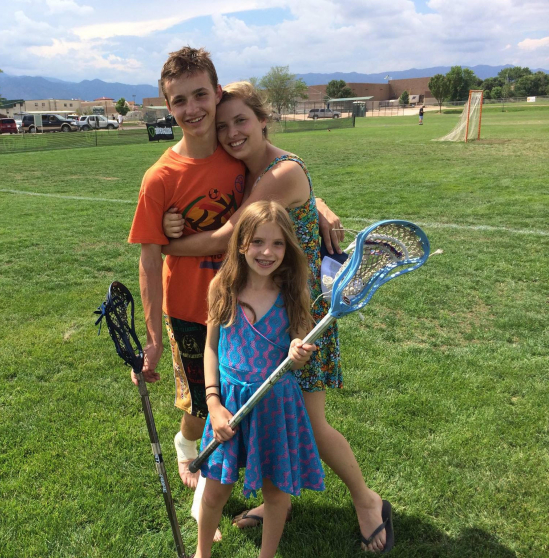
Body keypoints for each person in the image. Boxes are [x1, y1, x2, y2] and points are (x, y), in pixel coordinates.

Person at [162, 81, 394, 553]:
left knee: (309, 423)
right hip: (271, 303)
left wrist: (163, 242)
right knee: (285, 418)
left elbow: (229, 235)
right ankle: (275, 497)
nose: (230, 132)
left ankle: (368, 501)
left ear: (263, 119)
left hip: (297, 311)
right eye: (223, 125)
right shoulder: (256, 168)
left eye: (241, 121)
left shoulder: (276, 171)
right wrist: (323, 207)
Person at [128, 46, 344, 543]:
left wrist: (319, 203)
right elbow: (146, 259)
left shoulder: (233, 153)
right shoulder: (160, 176)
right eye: (179, 100)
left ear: (217, 92)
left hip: (256, 304)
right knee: (205, 405)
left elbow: (278, 182)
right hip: (192, 306)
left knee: (243, 402)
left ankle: (220, 482)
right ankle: (200, 482)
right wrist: (153, 334)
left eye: (201, 94)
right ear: (168, 106)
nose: (193, 109)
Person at [194, 200, 324, 558]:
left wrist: (297, 353)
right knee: (217, 490)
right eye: (257, 242)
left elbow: (297, 356)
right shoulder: (222, 286)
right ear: (240, 244)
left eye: (278, 243)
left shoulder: (294, 292)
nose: (267, 252)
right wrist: (213, 404)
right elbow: (210, 349)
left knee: (275, 491)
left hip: (277, 406)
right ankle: (201, 552)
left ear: (288, 247)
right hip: (229, 406)